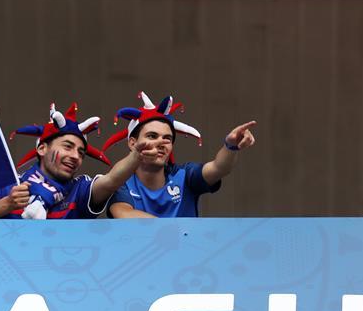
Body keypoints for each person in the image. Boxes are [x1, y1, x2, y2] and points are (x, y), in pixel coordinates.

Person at [0, 102, 157, 219]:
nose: (75, 156)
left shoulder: (80, 189)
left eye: (81, 152)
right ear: (42, 148)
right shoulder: (11, 185)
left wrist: (136, 156)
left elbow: (112, 180)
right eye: (68, 147)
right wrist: (6, 205)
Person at [101, 91, 256, 218]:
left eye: (167, 138)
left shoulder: (184, 176)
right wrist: (173, 231)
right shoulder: (121, 182)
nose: (161, 142)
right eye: (152, 136)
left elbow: (219, 168)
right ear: (132, 143)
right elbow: (124, 214)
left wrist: (231, 146)